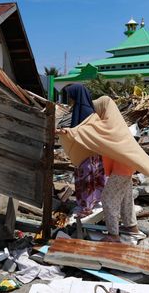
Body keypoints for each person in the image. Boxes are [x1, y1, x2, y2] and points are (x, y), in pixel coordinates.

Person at [59, 93, 149, 242]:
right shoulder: (114, 123)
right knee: (126, 199)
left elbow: (90, 132)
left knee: (108, 199)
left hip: (122, 168)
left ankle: (113, 235)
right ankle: (131, 227)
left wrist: (68, 132)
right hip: (125, 166)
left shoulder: (110, 126)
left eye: (99, 109)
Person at [56, 84, 105, 217]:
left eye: (71, 96)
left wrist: (63, 131)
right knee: (92, 177)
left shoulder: (84, 111)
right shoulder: (88, 109)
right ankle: (94, 201)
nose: (70, 99)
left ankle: (86, 207)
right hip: (93, 151)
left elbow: (80, 131)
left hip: (85, 152)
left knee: (86, 178)